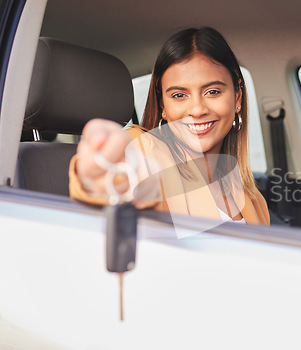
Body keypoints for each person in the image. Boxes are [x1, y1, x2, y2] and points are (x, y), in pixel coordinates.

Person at [69, 27, 270, 225]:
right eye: (179, 95)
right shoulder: (145, 149)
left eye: (212, 91)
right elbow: (120, 174)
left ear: (237, 97)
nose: (197, 110)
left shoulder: (253, 198)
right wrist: (102, 173)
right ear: (163, 106)